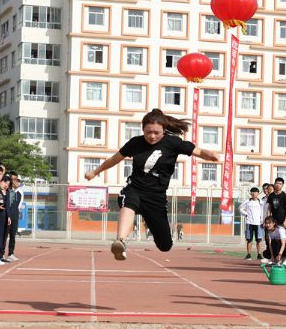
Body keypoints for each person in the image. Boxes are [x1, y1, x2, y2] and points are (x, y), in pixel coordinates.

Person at [84, 108, 220, 260]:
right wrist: (95, 172)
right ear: (143, 129)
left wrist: (211, 156)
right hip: (135, 188)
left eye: (156, 132)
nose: (152, 136)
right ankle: (120, 241)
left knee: (165, 245)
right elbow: (114, 159)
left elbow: (198, 152)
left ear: (164, 130)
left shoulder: (172, 142)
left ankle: (148, 220)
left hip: (156, 197)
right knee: (128, 202)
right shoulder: (135, 143)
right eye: (148, 132)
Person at [239, 187, 263, 260]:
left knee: (259, 240)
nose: (253, 193)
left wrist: (262, 220)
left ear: (258, 193)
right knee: (249, 239)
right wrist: (246, 214)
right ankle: (248, 254)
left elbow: (263, 212)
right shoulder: (247, 201)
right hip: (249, 223)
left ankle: (259, 254)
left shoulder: (261, 202)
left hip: (258, 223)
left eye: (255, 192)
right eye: (252, 192)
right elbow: (240, 208)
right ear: (250, 193)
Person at [6, 171, 22, 261]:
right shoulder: (7, 191)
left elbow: (18, 206)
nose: (17, 182)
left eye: (18, 180)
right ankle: (0, 254)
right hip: (7, 216)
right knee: (4, 235)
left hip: (15, 217)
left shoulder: (19, 193)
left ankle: (11, 253)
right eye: (15, 180)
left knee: (13, 236)